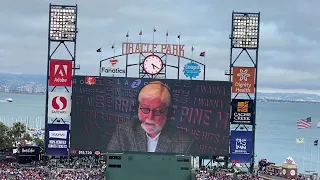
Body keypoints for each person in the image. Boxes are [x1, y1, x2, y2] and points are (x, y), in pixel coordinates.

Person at [107, 81, 196, 153]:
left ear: (169, 113)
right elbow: (111, 165)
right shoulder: (122, 131)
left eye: (157, 111)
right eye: (145, 109)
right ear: (137, 108)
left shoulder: (185, 142)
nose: (150, 117)